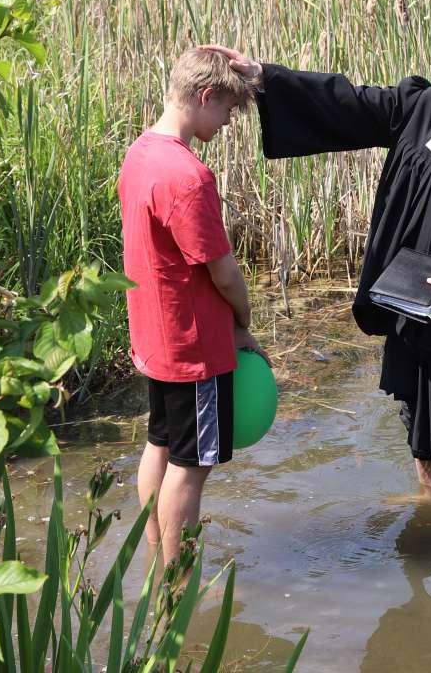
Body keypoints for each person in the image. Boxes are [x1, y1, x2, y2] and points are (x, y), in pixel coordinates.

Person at [206, 11, 431, 523]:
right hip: (412, 311)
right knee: (421, 434)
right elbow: (348, 102)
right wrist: (267, 77)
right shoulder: (421, 109)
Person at [119, 47, 264, 574]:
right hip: (195, 345)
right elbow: (222, 271)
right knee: (193, 465)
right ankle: (178, 584)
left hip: (155, 335)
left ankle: (158, 559)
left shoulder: (139, 154)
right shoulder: (189, 176)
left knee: (159, 443)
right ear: (205, 97)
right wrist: (242, 322)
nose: (228, 122)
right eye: (227, 109)